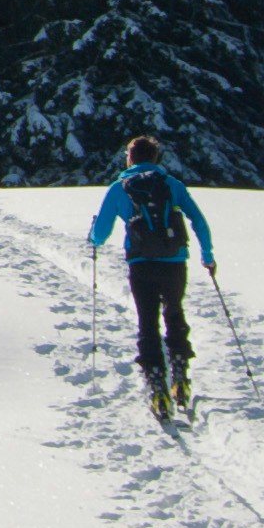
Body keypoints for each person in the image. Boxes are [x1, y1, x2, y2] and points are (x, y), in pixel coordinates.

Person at [87, 133, 216, 415]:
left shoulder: (119, 188)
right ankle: (180, 373)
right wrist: (207, 257)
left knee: (148, 321)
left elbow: (101, 232)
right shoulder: (172, 185)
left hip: (141, 262)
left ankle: (157, 383)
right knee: (174, 312)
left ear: (130, 158)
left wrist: (93, 240)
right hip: (174, 260)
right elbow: (199, 221)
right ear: (156, 158)